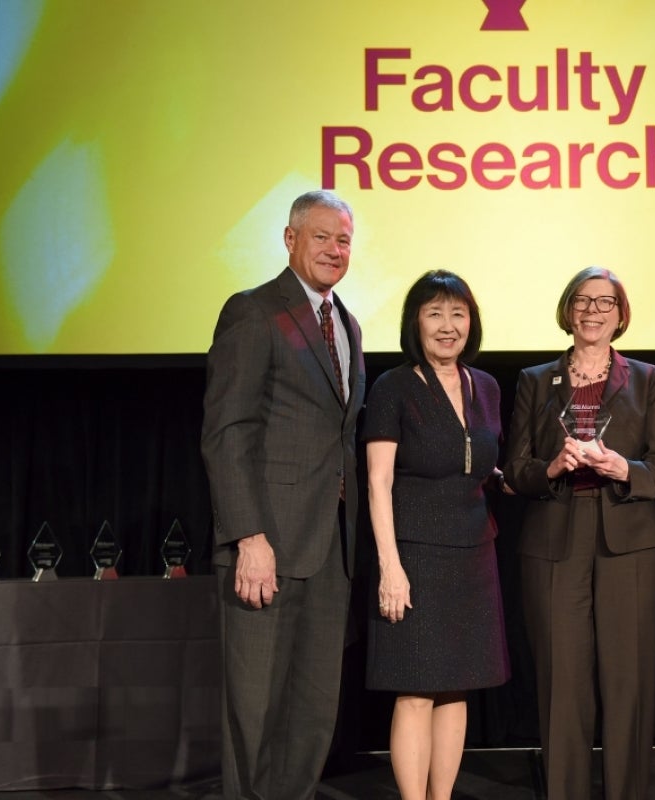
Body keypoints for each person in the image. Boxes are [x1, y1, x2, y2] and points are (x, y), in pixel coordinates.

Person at [200, 189, 364, 800]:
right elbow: (227, 431)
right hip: (266, 544)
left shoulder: (346, 322)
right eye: (321, 236)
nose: (334, 249)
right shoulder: (254, 311)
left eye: (343, 240)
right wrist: (249, 536)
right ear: (290, 239)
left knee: (312, 711)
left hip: (329, 552)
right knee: (254, 710)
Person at [504, 266, 655, 800]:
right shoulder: (534, 380)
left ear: (621, 314)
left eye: (605, 302)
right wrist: (552, 467)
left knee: (629, 683)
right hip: (554, 539)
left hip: (630, 540)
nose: (593, 311)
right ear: (567, 310)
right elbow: (515, 469)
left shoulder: (647, 379)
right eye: (582, 300)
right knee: (562, 683)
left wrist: (621, 467)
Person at [363, 270, 510, 800]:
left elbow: (481, 465)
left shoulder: (486, 387)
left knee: (456, 687)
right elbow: (378, 481)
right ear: (415, 323)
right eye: (435, 314)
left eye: (458, 314)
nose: (448, 326)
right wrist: (390, 566)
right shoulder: (394, 387)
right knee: (417, 689)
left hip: (475, 552)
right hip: (415, 555)